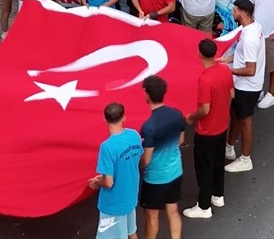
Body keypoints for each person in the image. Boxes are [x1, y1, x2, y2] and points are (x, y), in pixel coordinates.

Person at [184, 39, 235, 219]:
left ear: (200, 55)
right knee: (217, 163)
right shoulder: (225, 70)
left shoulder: (205, 79)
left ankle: (204, 206)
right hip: (222, 126)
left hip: (206, 131)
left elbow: (204, 109)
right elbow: (231, 94)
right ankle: (217, 195)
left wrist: (191, 117)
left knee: (204, 168)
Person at [138, 76, 187, 239]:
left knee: (151, 216)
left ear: (146, 93)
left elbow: (147, 159)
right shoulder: (177, 114)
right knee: (172, 211)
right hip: (176, 171)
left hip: (156, 178)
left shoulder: (149, 127)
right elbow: (181, 140)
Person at [88, 102, 142, 239]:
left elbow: (109, 182)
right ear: (124, 118)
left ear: (105, 119)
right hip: (130, 197)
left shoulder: (107, 147)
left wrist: (96, 182)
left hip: (113, 203)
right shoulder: (134, 135)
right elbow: (133, 161)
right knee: (131, 232)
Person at [224, 0, 263, 173]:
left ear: (243, 13)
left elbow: (250, 69)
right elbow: (241, 56)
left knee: (245, 120)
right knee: (236, 115)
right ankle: (229, 147)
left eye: (235, 10)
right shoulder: (253, 27)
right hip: (243, 85)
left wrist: (227, 71)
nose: (232, 13)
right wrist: (225, 60)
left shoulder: (249, 38)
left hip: (247, 87)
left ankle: (246, 159)